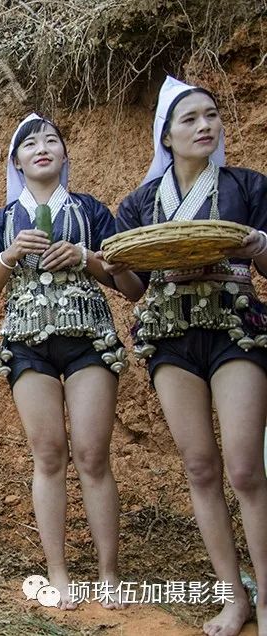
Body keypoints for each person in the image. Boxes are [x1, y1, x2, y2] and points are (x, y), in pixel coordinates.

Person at [110, 76, 267, 635]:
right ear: (167, 137)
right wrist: (108, 264)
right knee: (201, 467)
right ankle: (234, 595)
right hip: (170, 335)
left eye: (212, 115)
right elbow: (133, 285)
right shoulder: (141, 202)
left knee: (246, 467)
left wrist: (260, 247)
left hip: (234, 327)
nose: (205, 126)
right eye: (190, 119)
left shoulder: (247, 186)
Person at [0, 114, 139, 609]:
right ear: (16, 162)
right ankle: (58, 571)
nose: (42, 147)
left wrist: (86, 257)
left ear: (64, 155)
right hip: (25, 342)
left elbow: (131, 284)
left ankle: (108, 572)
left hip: (88, 338)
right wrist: (8, 257)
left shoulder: (89, 211)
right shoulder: (3, 220)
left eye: (52, 140)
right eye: (30, 143)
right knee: (47, 455)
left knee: (92, 455)